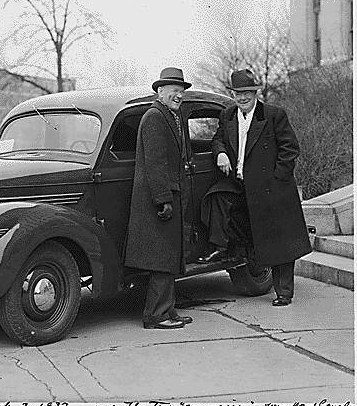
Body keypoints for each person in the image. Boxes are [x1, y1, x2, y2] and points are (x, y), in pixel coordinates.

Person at [198, 69, 312, 306]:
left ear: (255, 93)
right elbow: (218, 138)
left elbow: (290, 149)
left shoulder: (273, 115)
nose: (242, 98)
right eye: (238, 94)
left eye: (247, 93)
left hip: (271, 188)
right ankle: (221, 248)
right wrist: (220, 153)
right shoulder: (228, 115)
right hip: (240, 185)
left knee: (279, 242)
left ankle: (284, 292)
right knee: (217, 197)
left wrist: (277, 179)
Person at [124, 67, 193, 329]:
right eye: (174, 91)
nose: (179, 96)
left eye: (181, 91)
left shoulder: (166, 115)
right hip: (158, 200)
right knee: (162, 259)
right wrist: (163, 199)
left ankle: (168, 310)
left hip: (164, 196)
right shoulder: (155, 117)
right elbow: (155, 163)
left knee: (168, 257)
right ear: (160, 91)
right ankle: (156, 315)